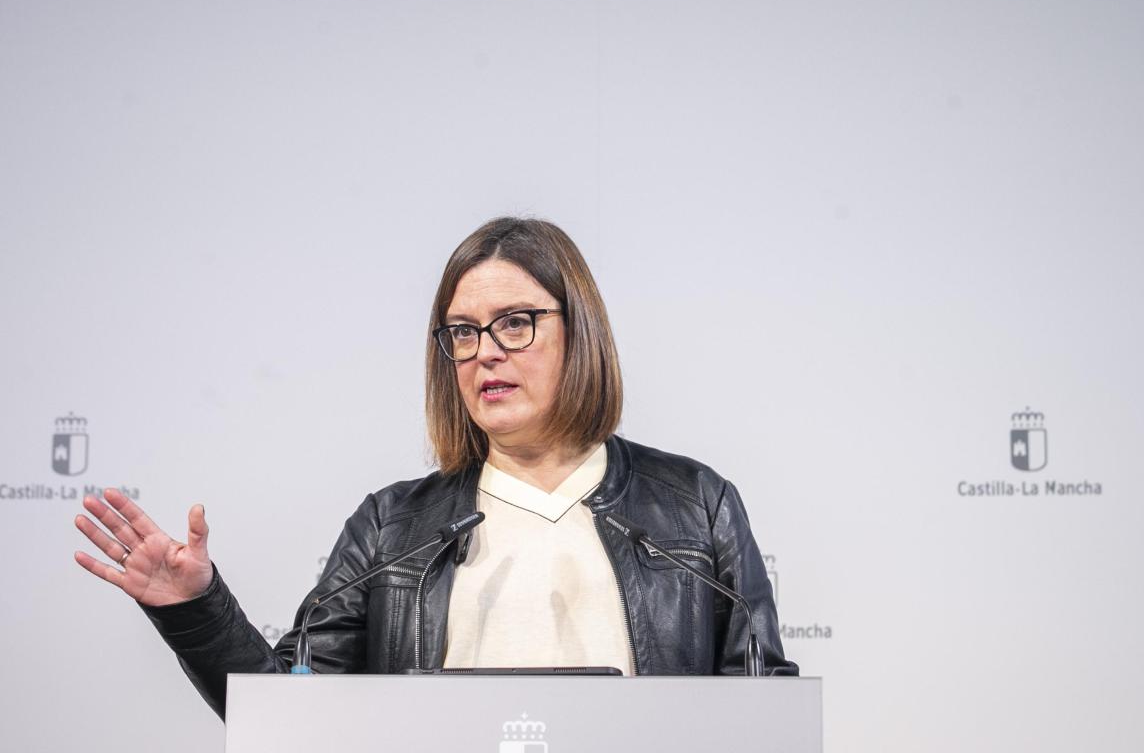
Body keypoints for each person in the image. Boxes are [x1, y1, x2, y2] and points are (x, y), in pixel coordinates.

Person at [73, 216, 796, 717]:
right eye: (463, 331)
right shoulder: (395, 528)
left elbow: (767, 713)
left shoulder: (694, 507)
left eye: (516, 322)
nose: (486, 350)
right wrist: (194, 612)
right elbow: (289, 718)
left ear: (580, 332)